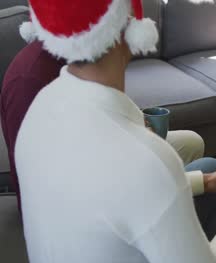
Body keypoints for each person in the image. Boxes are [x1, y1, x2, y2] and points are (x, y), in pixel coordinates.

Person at [14, 0, 216, 263]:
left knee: (209, 169)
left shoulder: (40, 108)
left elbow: (106, 194)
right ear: (128, 25)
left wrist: (202, 182)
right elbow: (133, 184)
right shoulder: (145, 161)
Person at [1, 41, 205, 216]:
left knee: (191, 142)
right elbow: (54, 180)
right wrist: (201, 181)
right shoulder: (29, 81)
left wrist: (131, 124)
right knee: (208, 170)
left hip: (97, 156)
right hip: (69, 201)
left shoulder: (78, 55)